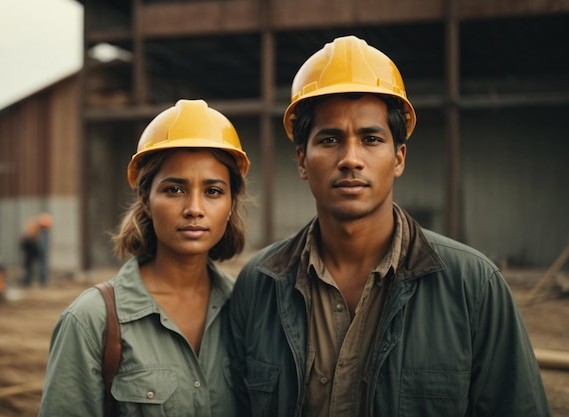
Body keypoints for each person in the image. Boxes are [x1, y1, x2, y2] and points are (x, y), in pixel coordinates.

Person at [227, 36, 551, 417]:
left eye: (371, 139)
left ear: (398, 158)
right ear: (302, 160)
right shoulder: (258, 285)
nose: (351, 159)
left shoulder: (474, 286)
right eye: (330, 139)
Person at [39, 99, 250, 416]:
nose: (194, 208)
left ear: (231, 203)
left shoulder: (248, 310)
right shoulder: (92, 320)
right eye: (174, 189)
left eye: (213, 191)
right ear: (146, 200)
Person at [20, 212, 52, 286]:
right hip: (33, 249)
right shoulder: (39, 231)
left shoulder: (33, 229)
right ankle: (39, 280)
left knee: (30, 265)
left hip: (32, 249)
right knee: (37, 265)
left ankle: (30, 280)